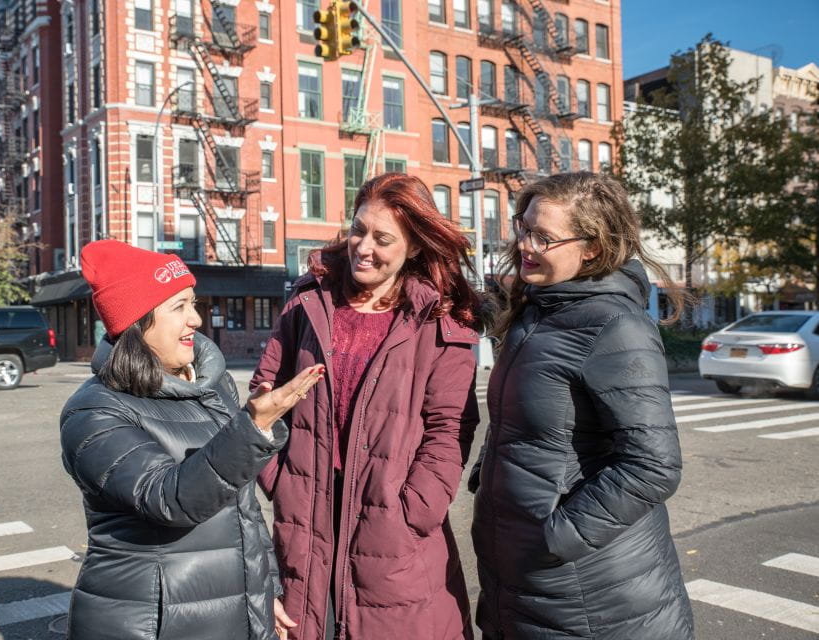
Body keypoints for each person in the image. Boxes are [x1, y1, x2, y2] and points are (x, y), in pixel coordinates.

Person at [252, 173, 481, 640]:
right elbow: (265, 392)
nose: (364, 247)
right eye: (359, 230)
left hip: (392, 526)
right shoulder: (307, 304)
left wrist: (414, 509)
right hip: (307, 511)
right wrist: (277, 477)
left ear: (415, 247)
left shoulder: (439, 322)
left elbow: (449, 429)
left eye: (383, 238)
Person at [60, 239, 324, 640]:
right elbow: (169, 499)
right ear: (137, 322)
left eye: (193, 303)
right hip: (153, 623)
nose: (196, 320)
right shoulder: (94, 411)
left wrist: (264, 591)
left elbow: (244, 513)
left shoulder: (211, 386)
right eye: (178, 307)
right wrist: (253, 427)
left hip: (231, 613)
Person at [470, 172, 695, 639]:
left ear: (591, 247)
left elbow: (653, 466)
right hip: (524, 582)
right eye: (523, 226)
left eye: (544, 237)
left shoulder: (615, 326)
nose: (525, 244)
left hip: (593, 596)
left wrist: (556, 536)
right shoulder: (537, 309)